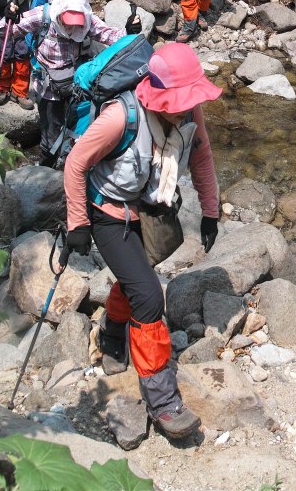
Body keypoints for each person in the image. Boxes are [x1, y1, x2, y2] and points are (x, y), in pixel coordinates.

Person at [63, 43, 223, 439]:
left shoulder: (188, 113)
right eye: (181, 101)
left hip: (148, 209)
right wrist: (77, 224)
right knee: (151, 297)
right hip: (108, 213)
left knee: (139, 280)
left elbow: (201, 158)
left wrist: (210, 211)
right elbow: (76, 162)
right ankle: (163, 403)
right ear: (158, 95)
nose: (187, 108)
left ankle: (112, 335)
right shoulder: (121, 116)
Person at [13, 0, 140, 168]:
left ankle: (70, 166)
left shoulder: (87, 19)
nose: (71, 28)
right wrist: (10, 17)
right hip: (48, 89)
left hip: (76, 87)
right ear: (60, 10)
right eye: (68, 21)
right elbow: (5, 31)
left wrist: (129, 31)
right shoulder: (42, 16)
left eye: (76, 22)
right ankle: (46, 173)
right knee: (51, 134)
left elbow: (109, 35)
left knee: (77, 130)